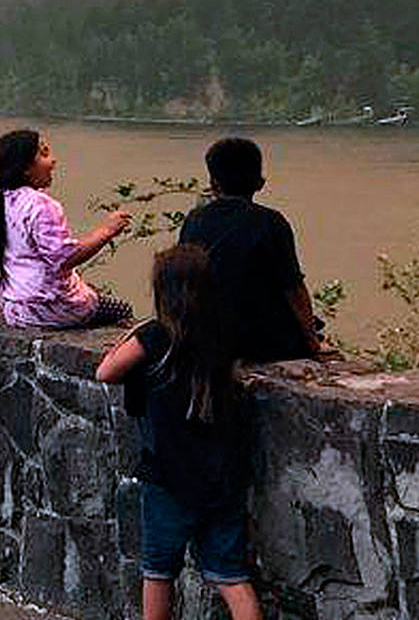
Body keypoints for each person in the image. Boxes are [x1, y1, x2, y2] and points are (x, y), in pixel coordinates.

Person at [96, 245, 264, 620]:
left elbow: (105, 371)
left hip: (168, 476)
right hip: (221, 475)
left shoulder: (155, 337)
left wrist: (135, 331)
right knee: (231, 575)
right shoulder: (224, 334)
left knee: (158, 571)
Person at [178, 137, 323, 363]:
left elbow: (183, 282)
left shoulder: (195, 220)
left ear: (214, 183)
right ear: (260, 182)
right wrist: (313, 343)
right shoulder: (271, 222)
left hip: (209, 339)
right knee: (309, 324)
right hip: (262, 344)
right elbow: (293, 288)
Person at [0, 129, 133, 328]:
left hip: (15, 309)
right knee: (124, 310)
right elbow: (63, 259)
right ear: (26, 167)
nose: (53, 161)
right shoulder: (40, 205)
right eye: (44, 154)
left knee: (90, 290)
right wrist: (107, 231)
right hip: (50, 309)